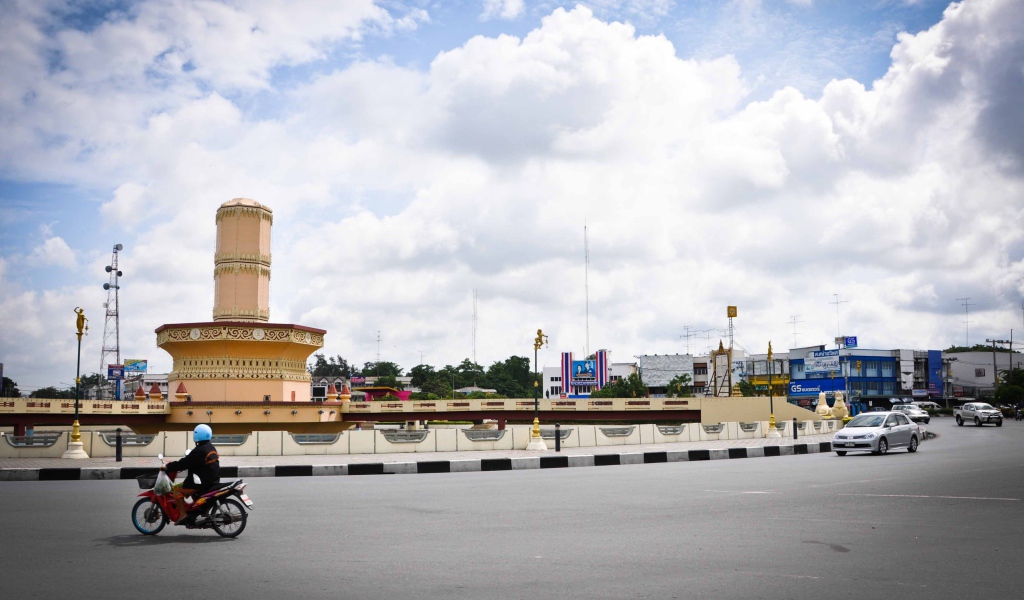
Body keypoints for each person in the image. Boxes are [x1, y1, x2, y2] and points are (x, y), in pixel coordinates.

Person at [162, 424, 220, 523]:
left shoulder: (199, 451)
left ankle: (183, 514)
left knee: (176, 489)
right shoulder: (211, 447)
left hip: (201, 483)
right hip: (213, 480)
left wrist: (168, 466)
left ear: (197, 435)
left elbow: (184, 463)